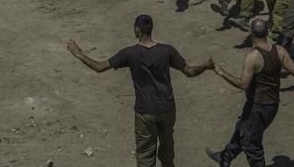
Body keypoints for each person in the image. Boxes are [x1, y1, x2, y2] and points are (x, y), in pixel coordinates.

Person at [67, 14, 213, 167]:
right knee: (167, 153)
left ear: (137, 30)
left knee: (145, 156)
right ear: (151, 29)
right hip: (167, 109)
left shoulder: (130, 53)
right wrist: (205, 66)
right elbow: (189, 71)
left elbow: (99, 67)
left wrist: (79, 54)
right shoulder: (167, 51)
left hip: (145, 112)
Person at [206, 19, 294, 167]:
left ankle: (231, 158)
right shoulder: (279, 50)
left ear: (250, 33)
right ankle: (225, 156)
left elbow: (243, 84)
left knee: (251, 142)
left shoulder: (252, 57)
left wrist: (220, 71)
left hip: (257, 106)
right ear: (267, 32)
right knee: (242, 127)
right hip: (272, 104)